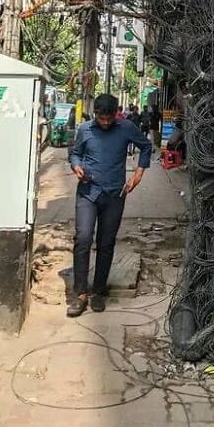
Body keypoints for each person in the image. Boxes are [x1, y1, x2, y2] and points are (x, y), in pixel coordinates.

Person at [67, 93, 152, 317]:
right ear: (95, 114)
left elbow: (146, 147)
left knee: (106, 242)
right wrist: (76, 166)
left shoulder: (126, 128)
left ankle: (98, 292)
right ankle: (80, 294)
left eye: (109, 118)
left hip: (115, 194)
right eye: (101, 118)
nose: (105, 122)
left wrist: (138, 174)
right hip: (88, 192)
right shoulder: (85, 130)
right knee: (83, 238)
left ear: (116, 114)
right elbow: (75, 154)